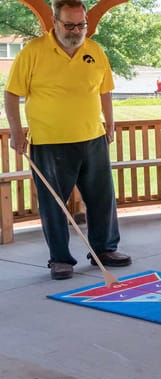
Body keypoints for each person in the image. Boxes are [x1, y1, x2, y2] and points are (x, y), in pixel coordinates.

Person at [4, 0, 132, 280]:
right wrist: (16, 131)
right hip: (50, 142)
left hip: (93, 137)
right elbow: (12, 93)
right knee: (54, 204)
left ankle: (105, 249)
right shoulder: (33, 51)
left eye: (81, 25)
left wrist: (109, 123)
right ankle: (60, 259)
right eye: (70, 25)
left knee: (102, 199)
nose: (76, 31)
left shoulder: (95, 51)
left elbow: (105, 91)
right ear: (55, 21)